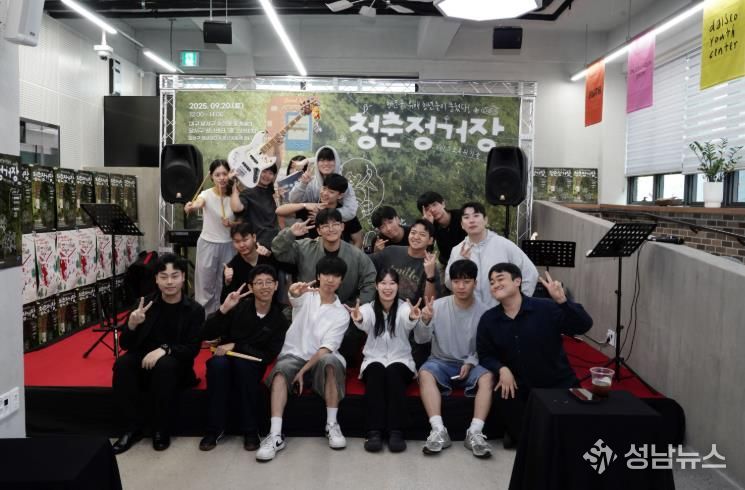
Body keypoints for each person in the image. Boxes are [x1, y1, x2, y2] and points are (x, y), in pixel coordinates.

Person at [477, 264, 593, 448]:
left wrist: (563, 301)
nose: (495, 285)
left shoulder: (546, 307)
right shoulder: (488, 319)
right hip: (519, 384)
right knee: (502, 394)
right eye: (491, 282)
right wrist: (501, 368)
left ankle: (527, 434)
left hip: (556, 381)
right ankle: (529, 436)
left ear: (517, 281)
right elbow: (484, 355)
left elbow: (583, 325)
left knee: (579, 428)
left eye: (500, 279)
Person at [256, 256, 351, 462]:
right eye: (326, 274)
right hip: (294, 353)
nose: (330, 279)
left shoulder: (342, 313)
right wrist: (293, 291)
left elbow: (325, 349)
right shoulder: (307, 297)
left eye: (336, 276)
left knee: (332, 362)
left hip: (320, 359)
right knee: (280, 371)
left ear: (341, 280)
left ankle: (332, 425)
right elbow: (294, 297)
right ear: (318, 276)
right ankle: (275, 435)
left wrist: (303, 371)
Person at [111, 254, 204, 454]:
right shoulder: (144, 304)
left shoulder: (194, 310)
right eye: (163, 276)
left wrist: (165, 349)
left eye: (174, 276)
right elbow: (126, 344)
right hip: (144, 358)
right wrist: (131, 325)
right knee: (122, 365)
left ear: (183, 277)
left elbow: (192, 349)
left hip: (176, 364)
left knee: (165, 365)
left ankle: (161, 428)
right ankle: (131, 428)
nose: (169, 282)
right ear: (156, 279)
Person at [200, 265, 290, 452]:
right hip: (225, 358)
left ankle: (250, 429)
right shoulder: (238, 307)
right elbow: (206, 333)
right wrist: (223, 309)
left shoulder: (280, 320)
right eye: (259, 283)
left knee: (245, 366)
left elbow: (267, 356)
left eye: (269, 282)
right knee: (217, 366)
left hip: (251, 364)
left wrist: (236, 345)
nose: (264, 287)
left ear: (276, 286)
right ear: (250, 287)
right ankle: (214, 429)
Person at [414, 259, 495, 458]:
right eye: (456, 281)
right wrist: (425, 320)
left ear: (475, 283)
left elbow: (486, 348)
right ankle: (438, 430)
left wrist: (471, 362)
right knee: (424, 373)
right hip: (440, 361)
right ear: (450, 283)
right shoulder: (437, 306)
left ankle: (475, 432)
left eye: (466, 281)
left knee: (487, 377)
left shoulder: (485, 312)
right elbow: (420, 339)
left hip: (471, 363)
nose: (461, 286)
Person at [346, 269, 419, 453]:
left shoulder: (404, 307)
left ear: (398, 286)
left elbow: (407, 319)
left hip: (401, 360)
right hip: (374, 359)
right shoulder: (369, 308)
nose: (388, 287)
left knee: (394, 371)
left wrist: (412, 317)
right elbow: (363, 319)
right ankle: (374, 432)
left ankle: (396, 431)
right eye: (383, 283)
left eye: (392, 283)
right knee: (377, 370)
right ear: (376, 286)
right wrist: (358, 319)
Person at [271, 208, 376, 306]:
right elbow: (278, 252)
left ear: (342, 227)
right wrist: (290, 233)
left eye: (335, 224)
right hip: (308, 308)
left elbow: (370, 281)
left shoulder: (357, 255)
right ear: (318, 230)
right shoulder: (304, 248)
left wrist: (357, 305)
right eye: (325, 226)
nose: (331, 229)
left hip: (343, 310)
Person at [445, 201, 539, 308]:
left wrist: (519, 303)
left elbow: (530, 273)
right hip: (471, 312)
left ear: (485, 220)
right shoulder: (457, 250)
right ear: (462, 225)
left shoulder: (503, 244)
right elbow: (449, 283)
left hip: (502, 312)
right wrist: (460, 263)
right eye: (466, 217)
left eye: (476, 216)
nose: (471, 221)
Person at [185, 159, 235, 315]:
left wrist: (232, 224)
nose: (221, 178)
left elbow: (243, 220)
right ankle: (204, 319)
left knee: (224, 284)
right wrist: (191, 206)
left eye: (224, 174)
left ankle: (222, 319)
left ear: (230, 174)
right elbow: (198, 203)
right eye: (217, 175)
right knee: (205, 285)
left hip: (229, 245)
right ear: (211, 176)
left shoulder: (235, 194)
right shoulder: (205, 194)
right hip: (207, 244)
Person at [275, 173, 363, 246]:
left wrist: (350, 259)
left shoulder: (346, 214)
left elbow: (358, 240)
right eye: (324, 188)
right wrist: (305, 205)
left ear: (340, 195)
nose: (325, 193)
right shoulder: (313, 208)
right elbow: (279, 211)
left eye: (331, 192)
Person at [371, 218, 439, 303]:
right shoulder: (391, 251)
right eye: (413, 232)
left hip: (408, 308)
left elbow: (430, 303)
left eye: (422, 234)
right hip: (381, 302)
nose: (416, 237)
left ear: (430, 240)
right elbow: (366, 263)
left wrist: (430, 276)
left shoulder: (431, 266)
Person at [288, 145, 359, 223]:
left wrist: (323, 215)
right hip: (311, 225)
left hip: (338, 226)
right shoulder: (310, 181)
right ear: (317, 163)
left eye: (330, 160)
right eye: (321, 160)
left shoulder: (344, 184)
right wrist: (303, 184)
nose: (326, 163)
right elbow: (294, 200)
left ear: (336, 162)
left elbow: (350, 211)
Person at [229, 163, 280, 250]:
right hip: (260, 245)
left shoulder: (270, 190)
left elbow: (277, 161)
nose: (267, 175)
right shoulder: (248, 193)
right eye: (264, 171)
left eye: (271, 173)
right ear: (257, 172)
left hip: (275, 242)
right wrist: (233, 187)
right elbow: (237, 208)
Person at [221, 222, 274, 302]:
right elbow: (224, 301)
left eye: (245, 240)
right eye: (237, 241)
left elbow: (289, 268)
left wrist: (271, 256)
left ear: (254, 237)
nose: (241, 245)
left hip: (271, 305)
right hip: (245, 307)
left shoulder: (267, 254)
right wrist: (228, 282)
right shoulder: (232, 267)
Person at [417, 191, 467, 269]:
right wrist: (428, 226)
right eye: (427, 209)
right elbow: (427, 251)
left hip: (468, 259)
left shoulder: (461, 216)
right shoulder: (431, 225)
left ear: (443, 204)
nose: (432, 210)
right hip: (446, 264)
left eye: (434, 205)